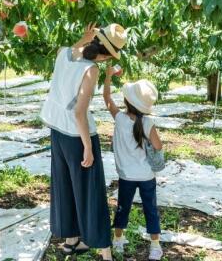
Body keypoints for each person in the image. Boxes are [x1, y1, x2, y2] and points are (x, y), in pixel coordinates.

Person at [40, 22, 127, 261]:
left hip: (56, 129)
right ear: (107, 55)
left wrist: (83, 37)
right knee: (91, 191)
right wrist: (88, 146)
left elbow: (72, 50)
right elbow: (79, 112)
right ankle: (104, 250)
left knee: (64, 184)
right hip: (77, 134)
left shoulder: (64, 53)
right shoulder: (91, 70)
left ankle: (71, 241)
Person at [103, 68, 164, 260]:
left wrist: (108, 76)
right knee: (150, 209)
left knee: (123, 207)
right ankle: (155, 246)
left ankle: (118, 241)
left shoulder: (119, 118)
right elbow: (158, 145)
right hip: (146, 175)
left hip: (126, 175)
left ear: (127, 101)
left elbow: (106, 98)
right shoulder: (147, 122)